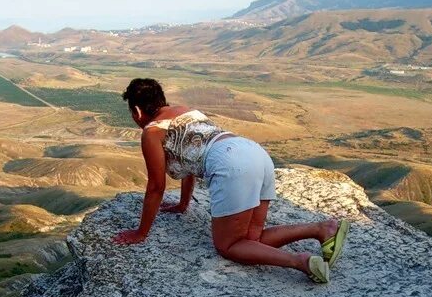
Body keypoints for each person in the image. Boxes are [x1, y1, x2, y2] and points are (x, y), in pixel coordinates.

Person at [112, 78, 349, 283]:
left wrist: (140, 233)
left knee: (228, 246)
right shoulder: (186, 111)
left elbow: (156, 187)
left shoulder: (152, 132)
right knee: (251, 240)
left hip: (230, 164)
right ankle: (322, 228)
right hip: (255, 152)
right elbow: (189, 163)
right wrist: (183, 204)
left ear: (137, 112)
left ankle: (301, 262)